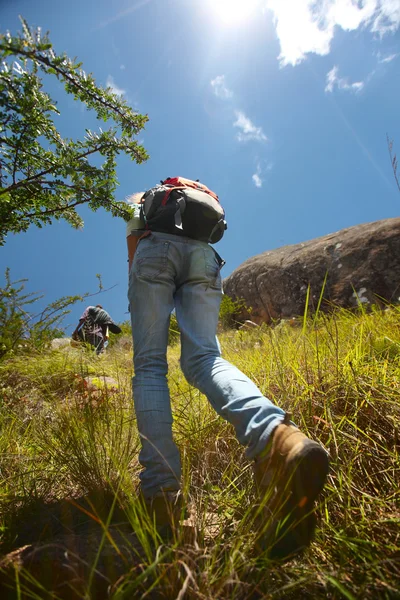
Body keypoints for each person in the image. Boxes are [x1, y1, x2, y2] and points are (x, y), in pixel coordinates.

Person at [126, 182, 329, 559]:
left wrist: (138, 273)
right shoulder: (200, 194)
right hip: (204, 257)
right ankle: (277, 437)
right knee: (206, 358)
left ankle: (161, 494)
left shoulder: (148, 200)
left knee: (150, 365)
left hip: (154, 251)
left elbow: (135, 243)